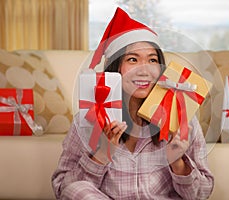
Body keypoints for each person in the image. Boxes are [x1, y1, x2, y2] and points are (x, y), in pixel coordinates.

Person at [52, 7, 214, 200]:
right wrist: (102, 155)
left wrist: (177, 162)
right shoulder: (86, 120)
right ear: (115, 68)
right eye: (132, 59)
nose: (144, 70)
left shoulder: (183, 119)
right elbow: (64, 189)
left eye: (152, 60)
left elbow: (202, 194)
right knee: (75, 190)